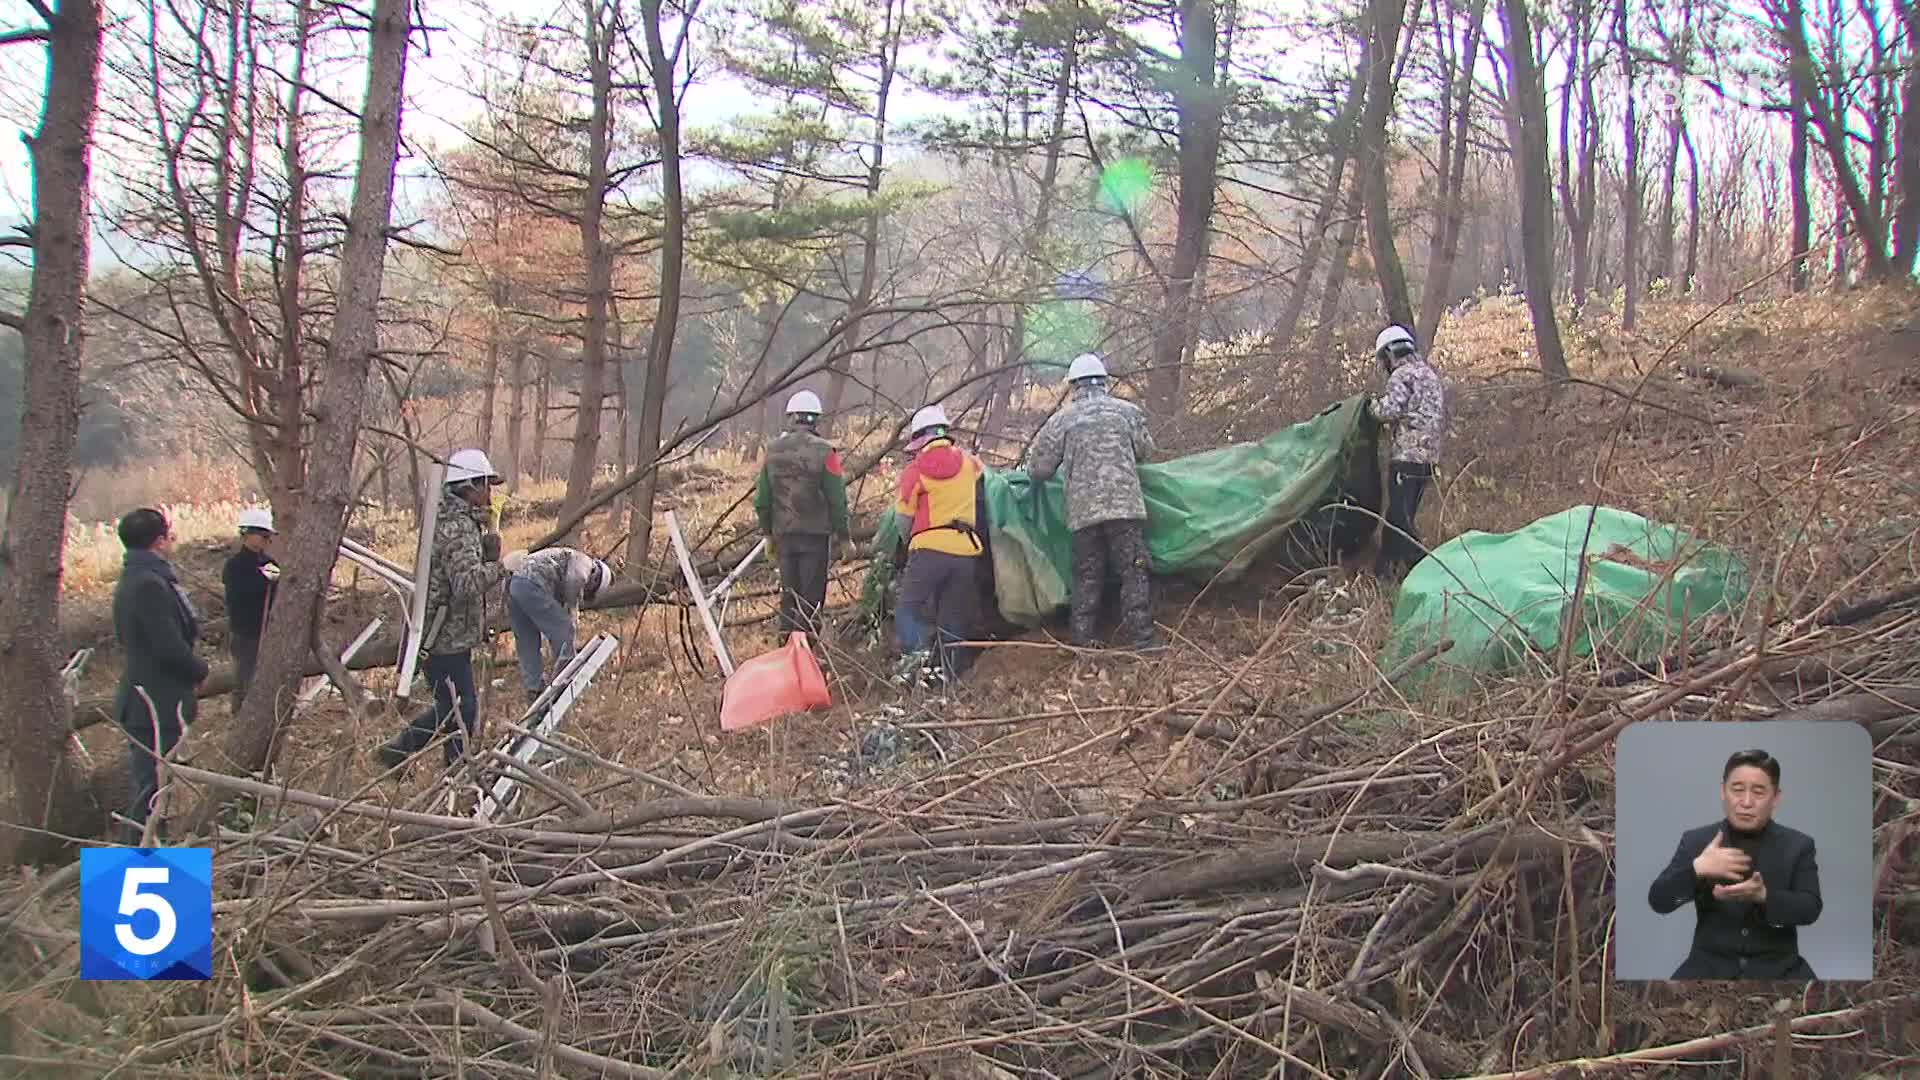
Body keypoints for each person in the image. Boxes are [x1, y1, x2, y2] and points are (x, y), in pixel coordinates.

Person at [379, 449, 510, 770]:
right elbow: (466, 583)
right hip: (444, 635)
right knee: (459, 709)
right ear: (468, 485)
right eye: (485, 485)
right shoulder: (457, 527)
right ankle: (402, 751)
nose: (489, 494)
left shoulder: (459, 522)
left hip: (451, 633)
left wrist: (491, 542)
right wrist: (504, 567)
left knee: (454, 707)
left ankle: (453, 765)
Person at [1024, 353, 1162, 651]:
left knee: (1088, 574)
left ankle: (1083, 641)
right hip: (1125, 508)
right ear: (1104, 383)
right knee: (1133, 569)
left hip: (1083, 513)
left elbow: (1039, 470)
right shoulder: (1127, 412)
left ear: (1073, 386)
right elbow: (1146, 452)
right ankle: (1143, 640)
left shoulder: (1062, 421)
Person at [1647, 748, 1823, 980]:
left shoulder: (1798, 845)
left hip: (1780, 969)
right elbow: (1659, 901)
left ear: (1776, 798)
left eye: (1758, 792)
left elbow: (1811, 908)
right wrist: (1697, 870)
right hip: (1707, 967)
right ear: (1723, 791)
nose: (1746, 802)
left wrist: (1764, 897)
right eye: (1737, 790)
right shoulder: (1697, 841)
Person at [110, 507, 208, 842]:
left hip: (152, 696)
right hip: (153, 701)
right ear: (159, 540)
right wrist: (199, 670)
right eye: (168, 535)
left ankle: (151, 850)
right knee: (150, 790)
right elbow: (166, 645)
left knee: (156, 786)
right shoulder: (148, 584)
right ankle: (133, 864)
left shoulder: (137, 577)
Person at [890, 403, 986, 687]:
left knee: (908, 609)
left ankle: (917, 666)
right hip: (966, 551)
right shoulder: (970, 462)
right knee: (953, 617)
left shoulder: (915, 470)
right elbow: (986, 485)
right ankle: (949, 680)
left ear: (920, 440)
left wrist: (909, 542)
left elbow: (902, 519)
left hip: (928, 550)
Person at [754, 389, 852, 638]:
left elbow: (762, 499)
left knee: (789, 596)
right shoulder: (826, 452)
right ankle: (805, 657)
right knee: (810, 601)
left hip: (784, 536)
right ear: (816, 419)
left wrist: (768, 534)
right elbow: (837, 499)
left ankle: (785, 651)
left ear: (791, 417)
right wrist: (845, 538)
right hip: (815, 538)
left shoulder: (772, 451)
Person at [1367, 325, 1449, 578]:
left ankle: (1427, 570)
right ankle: (1384, 570)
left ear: (1390, 354)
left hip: (1406, 457)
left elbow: (1388, 411)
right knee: (1399, 513)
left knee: (1402, 519)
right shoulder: (1428, 374)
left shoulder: (1402, 376)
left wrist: (1369, 406)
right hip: (1428, 460)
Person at [503, 546, 610, 706]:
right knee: (564, 630)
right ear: (596, 580)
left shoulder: (565, 557)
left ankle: (534, 688)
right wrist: (572, 612)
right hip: (531, 582)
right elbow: (575, 581)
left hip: (512, 584)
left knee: (527, 640)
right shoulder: (584, 563)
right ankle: (567, 679)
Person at [222, 507, 280, 712]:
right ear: (247, 534)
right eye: (262, 535)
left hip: (269, 631)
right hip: (246, 633)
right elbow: (239, 596)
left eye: (268, 536)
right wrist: (261, 582)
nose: (266, 540)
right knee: (246, 678)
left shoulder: (268, 563)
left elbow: (279, 588)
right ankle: (240, 715)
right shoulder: (235, 566)